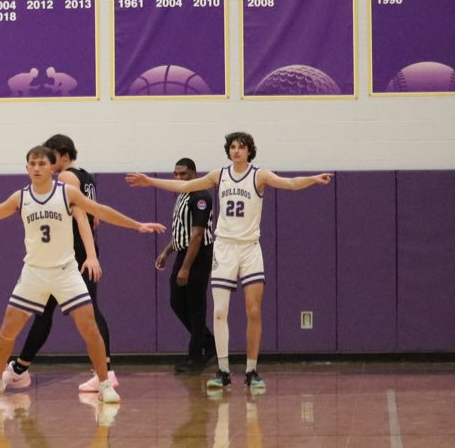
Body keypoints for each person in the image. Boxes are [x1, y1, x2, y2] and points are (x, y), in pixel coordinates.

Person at [0, 146, 165, 405]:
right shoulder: (21, 197)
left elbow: (101, 210)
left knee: (90, 329)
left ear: (53, 168)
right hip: (34, 272)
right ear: (26, 168)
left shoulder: (67, 193)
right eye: (32, 163)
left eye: (42, 163)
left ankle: (105, 383)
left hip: (65, 271)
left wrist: (136, 224)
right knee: (7, 330)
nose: (37, 168)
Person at [127, 132, 332, 390]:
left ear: (249, 151)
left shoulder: (260, 175)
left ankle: (251, 370)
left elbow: (290, 183)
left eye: (241, 147)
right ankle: (223, 371)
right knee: (220, 311)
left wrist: (313, 179)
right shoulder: (218, 174)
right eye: (232, 147)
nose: (236, 151)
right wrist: (150, 181)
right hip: (224, 248)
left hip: (249, 249)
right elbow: (184, 186)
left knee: (253, 310)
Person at [2, 134, 115, 392]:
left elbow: (86, 219)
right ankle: (20, 368)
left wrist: (89, 255)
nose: (47, 164)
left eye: (50, 158)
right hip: (64, 256)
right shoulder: (86, 176)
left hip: (72, 257)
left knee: (89, 314)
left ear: (63, 155)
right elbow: (95, 216)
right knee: (43, 313)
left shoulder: (65, 179)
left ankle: (105, 372)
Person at [153, 158, 216, 373]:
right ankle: (209, 344)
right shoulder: (182, 195)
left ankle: (195, 357)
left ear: (195, 174)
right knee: (177, 301)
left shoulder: (200, 196)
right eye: (176, 174)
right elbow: (182, 230)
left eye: (184, 174)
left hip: (197, 256)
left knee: (196, 306)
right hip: (183, 252)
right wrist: (167, 251)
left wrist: (186, 267)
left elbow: (197, 235)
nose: (179, 178)